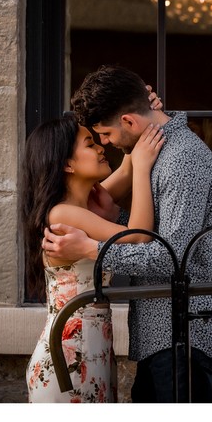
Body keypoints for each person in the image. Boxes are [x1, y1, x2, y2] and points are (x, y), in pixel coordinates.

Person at [43, 65, 212, 403]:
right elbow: (145, 231)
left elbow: (169, 258)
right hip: (162, 334)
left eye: (105, 134)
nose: (104, 144)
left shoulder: (182, 161)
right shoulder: (157, 154)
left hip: (181, 335)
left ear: (128, 122)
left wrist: (92, 248)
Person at [21, 110, 165, 403]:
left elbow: (123, 173)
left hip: (90, 349)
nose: (101, 147)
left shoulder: (82, 206)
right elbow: (138, 235)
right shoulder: (64, 213)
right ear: (67, 164)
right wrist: (142, 167)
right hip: (71, 357)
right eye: (90, 144)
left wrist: (142, 115)